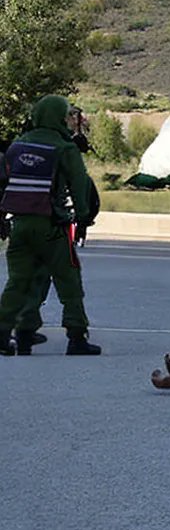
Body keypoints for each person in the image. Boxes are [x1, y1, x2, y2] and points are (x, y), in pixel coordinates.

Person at [0, 95, 101, 356]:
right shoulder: (64, 148)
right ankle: (77, 336)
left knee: (19, 281)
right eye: (68, 115)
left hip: (19, 225)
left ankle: (13, 334)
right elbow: (80, 185)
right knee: (68, 280)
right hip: (52, 227)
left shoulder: (17, 146)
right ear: (57, 117)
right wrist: (83, 217)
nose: (70, 120)